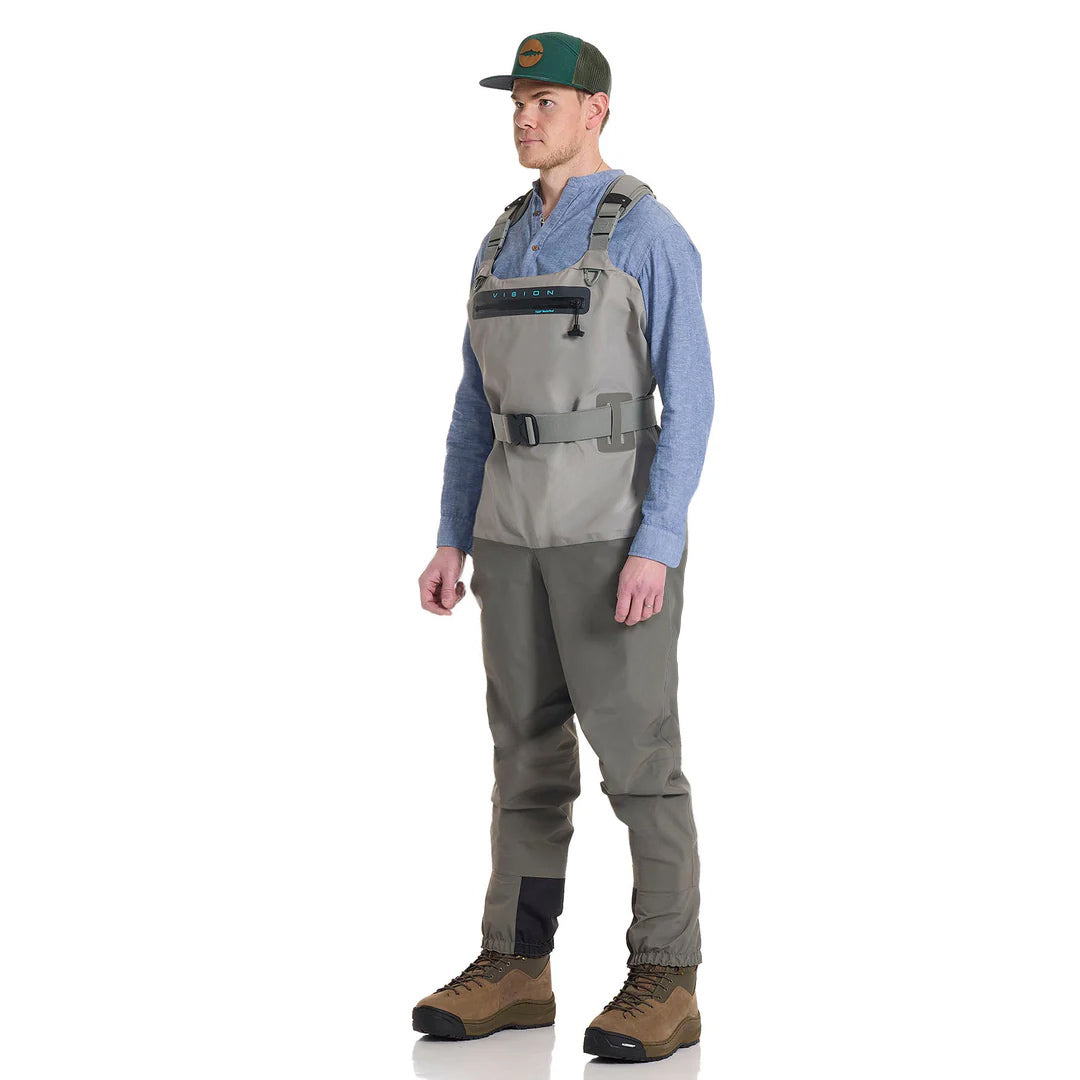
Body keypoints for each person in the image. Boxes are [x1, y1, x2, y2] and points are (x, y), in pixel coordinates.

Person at [414, 31, 714, 1064]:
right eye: (517, 101)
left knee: (640, 765)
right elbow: (473, 409)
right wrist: (452, 536)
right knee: (525, 765)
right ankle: (517, 965)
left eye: (545, 101)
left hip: (609, 542)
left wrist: (656, 544)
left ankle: (667, 978)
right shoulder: (500, 240)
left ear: (597, 110)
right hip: (509, 541)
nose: (524, 117)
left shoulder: (650, 233)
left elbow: (692, 401)